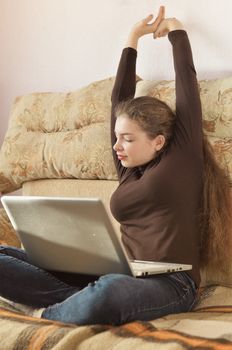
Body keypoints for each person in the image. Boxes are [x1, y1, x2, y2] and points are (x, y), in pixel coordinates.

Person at [0, 6, 231, 326]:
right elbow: (118, 99)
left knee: (108, 290)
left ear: (158, 141)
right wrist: (132, 38)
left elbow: (187, 87)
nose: (116, 145)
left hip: (172, 284)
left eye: (127, 139)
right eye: (117, 137)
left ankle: (48, 312)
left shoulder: (182, 160)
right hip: (120, 270)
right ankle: (74, 301)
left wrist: (177, 33)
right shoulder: (128, 169)